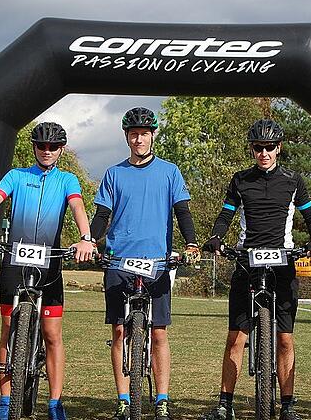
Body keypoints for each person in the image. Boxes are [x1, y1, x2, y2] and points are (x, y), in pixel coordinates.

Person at [0, 122, 95, 420]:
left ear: (61, 149)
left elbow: (77, 208)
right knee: (7, 329)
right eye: (42, 146)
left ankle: (54, 402)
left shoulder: (68, 180)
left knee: (52, 334)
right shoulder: (17, 175)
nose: (47, 151)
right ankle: (4, 401)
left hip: (50, 262)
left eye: (53, 147)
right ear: (34, 148)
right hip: (16, 259)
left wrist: (85, 238)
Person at [200, 119, 311, 420]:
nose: (264, 153)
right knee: (236, 337)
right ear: (253, 150)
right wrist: (216, 237)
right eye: (258, 148)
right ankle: (224, 404)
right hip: (247, 261)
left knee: (284, 338)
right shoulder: (240, 180)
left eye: (269, 147)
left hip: (283, 262)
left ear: (279, 148)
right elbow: (226, 215)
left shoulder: (293, 180)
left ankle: (289, 405)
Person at [89, 107, 200, 420]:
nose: (139, 139)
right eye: (134, 134)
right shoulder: (113, 174)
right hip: (118, 259)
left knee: (160, 334)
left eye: (144, 133)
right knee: (119, 331)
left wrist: (191, 242)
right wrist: (90, 240)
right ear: (127, 137)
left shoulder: (169, 172)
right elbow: (101, 216)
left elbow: (182, 211)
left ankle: (162, 398)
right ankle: (123, 399)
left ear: (153, 136)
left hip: (157, 262)